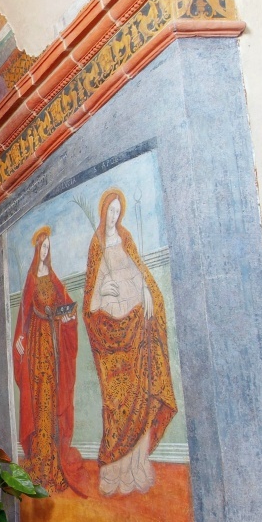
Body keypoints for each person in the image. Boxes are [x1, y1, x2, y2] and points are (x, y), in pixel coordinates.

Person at [84, 188, 177, 496]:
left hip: (137, 324)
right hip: (112, 333)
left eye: (116, 210)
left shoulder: (126, 239)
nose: (113, 215)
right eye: (109, 210)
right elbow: (90, 299)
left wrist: (150, 292)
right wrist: (104, 292)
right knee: (117, 403)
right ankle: (113, 472)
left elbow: (141, 273)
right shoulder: (96, 245)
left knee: (142, 394)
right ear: (101, 212)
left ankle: (136, 468)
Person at [12, 227, 80, 493]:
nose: (46, 252)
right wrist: (20, 339)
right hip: (36, 349)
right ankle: (39, 459)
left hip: (52, 344)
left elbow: (67, 305)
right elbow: (24, 318)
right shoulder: (31, 279)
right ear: (36, 249)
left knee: (51, 398)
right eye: (43, 248)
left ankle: (52, 457)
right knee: (38, 397)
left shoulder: (53, 279)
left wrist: (68, 318)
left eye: (49, 248)